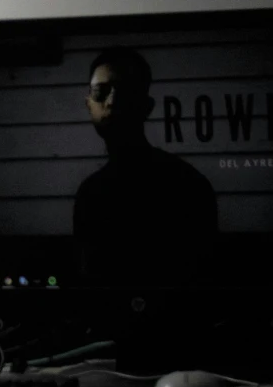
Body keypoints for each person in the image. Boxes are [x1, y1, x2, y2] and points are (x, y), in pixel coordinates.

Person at [72, 47, 217, 285]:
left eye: (126, 92)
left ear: (146, 106)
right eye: (101, 92)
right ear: (89, 104)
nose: (112, 101)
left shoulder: (186, 186)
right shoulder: (90, 194)